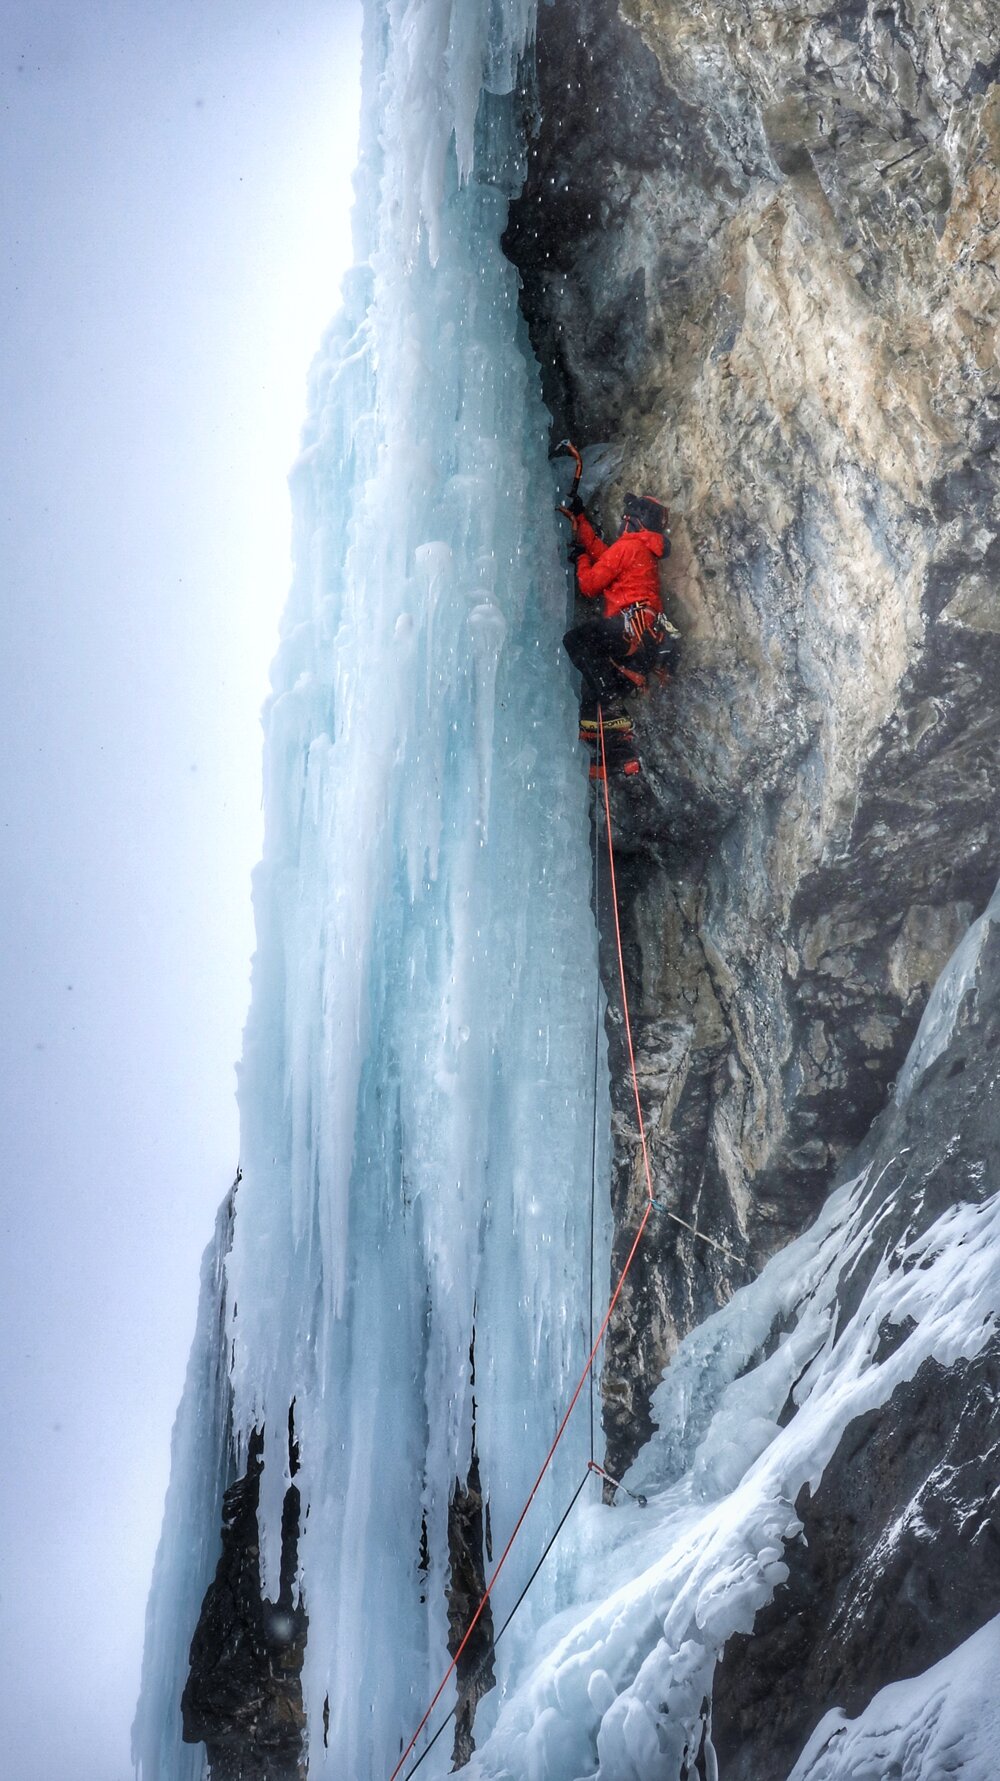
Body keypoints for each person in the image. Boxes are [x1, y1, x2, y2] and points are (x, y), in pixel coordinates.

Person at [562, 490, 679, 776]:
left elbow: (590, 584)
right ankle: (618, 752)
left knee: (577, 642)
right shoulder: (640, 549)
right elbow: (604, 556)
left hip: (629, 631)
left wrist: (579, 561)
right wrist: (581, 519)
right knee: (595, 685)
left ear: (634, 522)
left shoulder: (629, 547)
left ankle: (613, 712)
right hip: (645, 646)